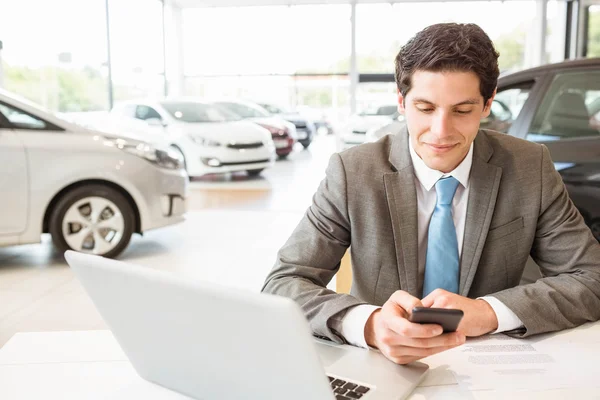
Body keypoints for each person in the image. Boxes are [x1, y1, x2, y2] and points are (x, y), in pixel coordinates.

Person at [261, 23, 600, 365]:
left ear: (487, 104)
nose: (441, 132)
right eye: (425, 108)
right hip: (383, 362)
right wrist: (369, 324)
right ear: (401, 101)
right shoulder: (353, 172)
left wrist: (488, 312)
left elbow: (592, 279)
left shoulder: (530, 167)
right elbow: (284, 282)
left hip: (490, 362)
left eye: (462, 110)